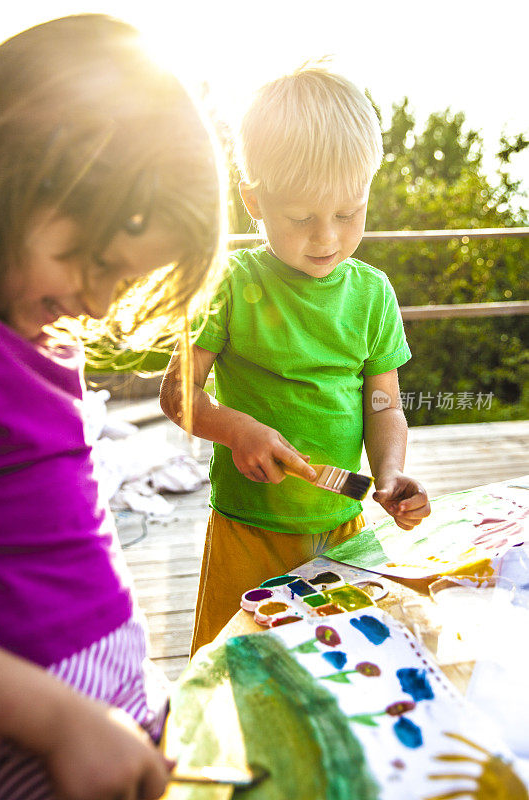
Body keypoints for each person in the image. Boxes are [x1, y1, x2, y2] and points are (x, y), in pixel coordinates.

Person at [0, 14, 224, 800]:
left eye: (120, 282)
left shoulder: (45, 332)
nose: (94, 303)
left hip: (113, 718)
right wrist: (60, 721)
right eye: (86, 261)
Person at [160, 65, 431, 655]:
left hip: (344, 529)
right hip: (246, 531)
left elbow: (384, 404)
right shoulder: (228, 284)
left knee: (345, 670)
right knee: (239, 672)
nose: (327, 238)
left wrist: (388, 474)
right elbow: (178, 394)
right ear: (254, 200)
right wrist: (238, 429)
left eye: (348, 213)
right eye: (302, 218)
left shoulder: (373, 294)